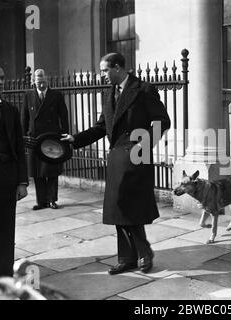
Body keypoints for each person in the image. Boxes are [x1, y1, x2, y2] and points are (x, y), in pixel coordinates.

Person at [61, 52, 170, 274]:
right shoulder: (108, 94)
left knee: (130, 207)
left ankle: (143, 252)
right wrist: (76, 139)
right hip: (116, 159)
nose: (102, 75)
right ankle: (127, 258)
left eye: (105, 70)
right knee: (118, 209)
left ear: (118, 68)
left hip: (136, 157)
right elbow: (102, 127)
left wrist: (142, 146)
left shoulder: (143, 90)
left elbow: (162, 121)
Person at [0, 60, 28, 276]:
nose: (0, 82)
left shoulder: (10, 110)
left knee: (4, 230)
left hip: (7, 178)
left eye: (2, 78)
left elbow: (19, 147)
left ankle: (2, 275)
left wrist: (22, 181)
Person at [21, 69, 69, 210]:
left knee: (52, 170)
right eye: (38, 82)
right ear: (34, 81)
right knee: (37, 172)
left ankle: (52, 200)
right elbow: (24, 118)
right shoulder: (28, 95)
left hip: (52, 137)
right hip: (35, 138)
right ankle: (41, 201)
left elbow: (64, 116)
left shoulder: (56, 95)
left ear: (46, 80)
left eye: (43, 82)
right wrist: (23, 137)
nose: (40, 85)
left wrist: (64, 135)